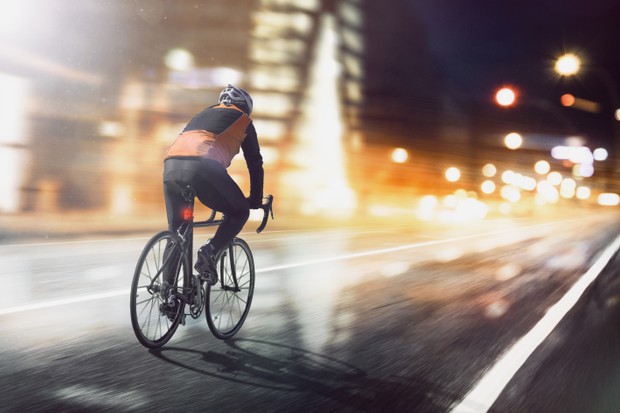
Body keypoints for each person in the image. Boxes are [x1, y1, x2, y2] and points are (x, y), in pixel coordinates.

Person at [163, 84, 264, 284]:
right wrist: (254, 200)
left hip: (171, 165)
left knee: (177, 230)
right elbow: (255, 163)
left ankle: (169, 293)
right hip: (203, 166)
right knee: (239, 211)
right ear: (245, 107)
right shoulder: (244, 120)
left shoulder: (201, 115)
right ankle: (209, 252)